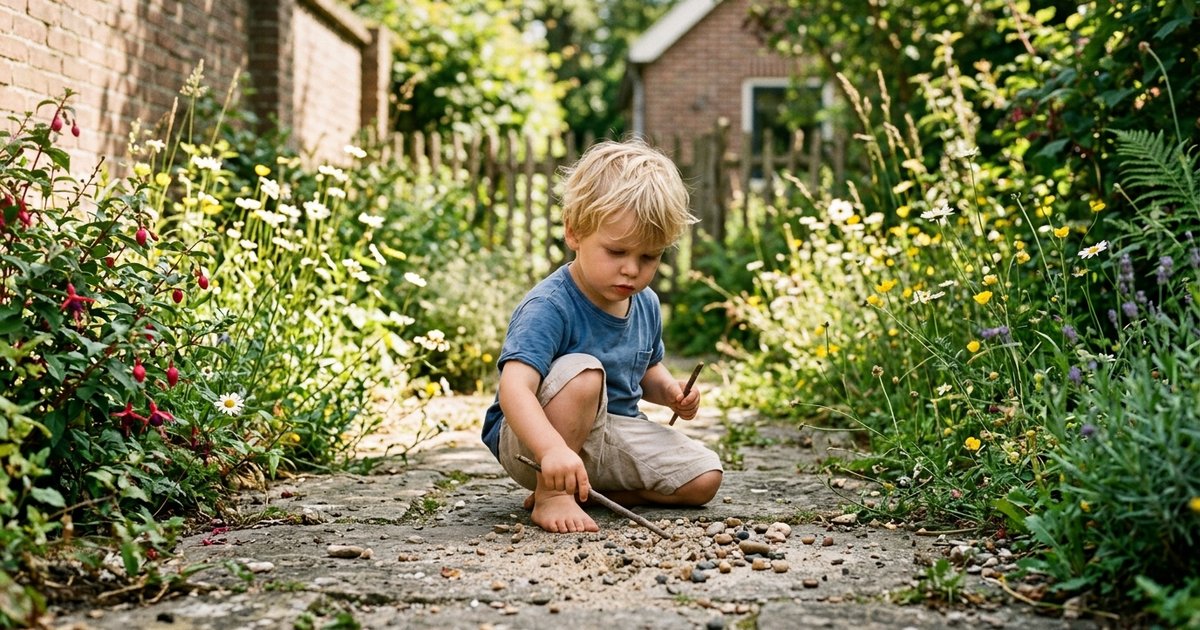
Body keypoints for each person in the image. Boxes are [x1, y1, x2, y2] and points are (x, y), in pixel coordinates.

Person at [480, 138, 724, 533]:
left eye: (649, 257)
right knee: (585, 373)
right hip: (534, 441)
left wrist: (671, 393)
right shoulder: (550, 305)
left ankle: (583, 490)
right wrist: (552, 450)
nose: (632, 270)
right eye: (616, 252)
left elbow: (646, 369)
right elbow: (514, 390)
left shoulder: (645, 303)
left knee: (704, 477)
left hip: (612, 433)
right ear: (574, 233)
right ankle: (551, 492)